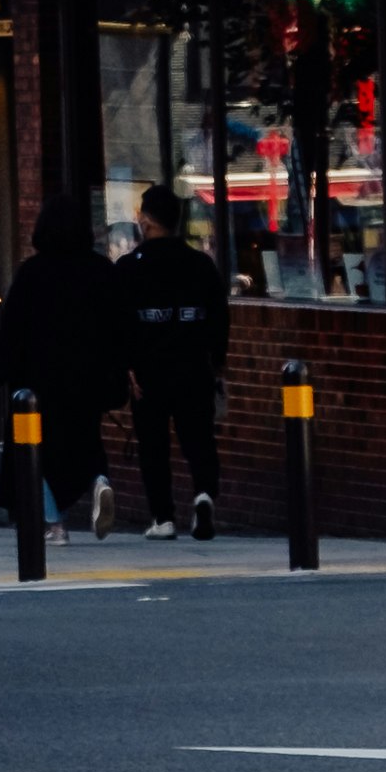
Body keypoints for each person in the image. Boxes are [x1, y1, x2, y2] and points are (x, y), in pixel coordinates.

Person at [126, 177, 230, 543]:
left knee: (153, 445)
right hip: (193, 366)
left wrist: (126, 365)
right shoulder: (200, 265)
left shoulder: (130, 267)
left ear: (147, 222)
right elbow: (219, 318)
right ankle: (203, 494)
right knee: (198, 439)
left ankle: (163, 517)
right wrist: (217, 361)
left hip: (148, 370)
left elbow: (117, 321)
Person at [0, 194, 109, 542]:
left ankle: (54, 524)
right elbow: (119, 326)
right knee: (86, 441)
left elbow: (11, 329)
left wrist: (6, 370)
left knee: (36, 452)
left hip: (40, 380)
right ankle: (99, 481)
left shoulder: (32, 273)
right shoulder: (101, 270)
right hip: (89, 377)